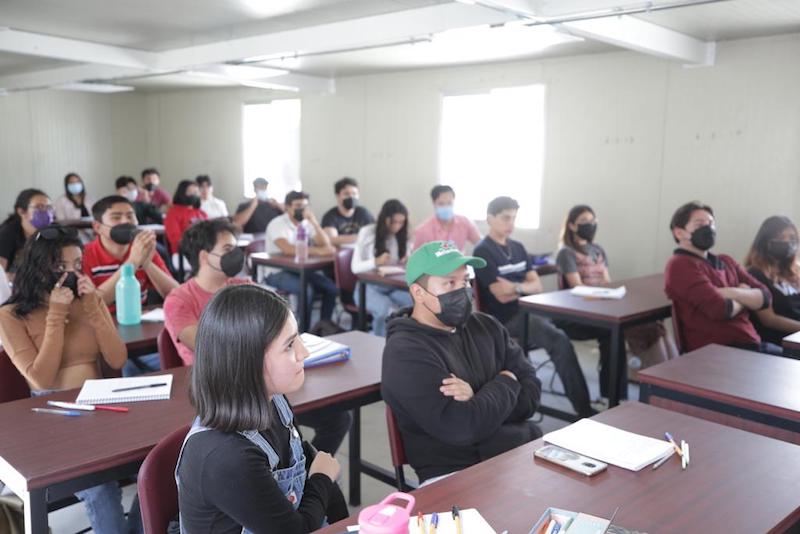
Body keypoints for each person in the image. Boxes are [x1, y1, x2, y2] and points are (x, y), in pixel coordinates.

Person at [164, 220, 353, 454]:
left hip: (265, 380)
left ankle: (306, 473)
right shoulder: (180, 299)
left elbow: (279, 326)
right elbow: (210, 345)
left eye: (236, 248)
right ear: (204, 257)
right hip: (222, 394)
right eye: (227, 250)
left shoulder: (245, 286)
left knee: (337, 418)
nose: (236, 255)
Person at [0, 225, 141, 533]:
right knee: (100, 488)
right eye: (60, 266)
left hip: (102, 403)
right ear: (38, 267)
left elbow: (117, 359)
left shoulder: (87, 299)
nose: (71, 273)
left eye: (77, 265)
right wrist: (55, 316)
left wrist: (93, 308)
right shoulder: (10, 315)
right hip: (55, 413)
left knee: (158, 463)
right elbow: (40, 379)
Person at [175, 284, 349, 533]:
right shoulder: (227, 455)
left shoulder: (274, 401)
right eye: (289, 345)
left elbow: (310, 462)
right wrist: (321, 479)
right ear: (248, 360)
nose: (304, 352)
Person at [381, 241, 542, 484]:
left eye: (465, 281)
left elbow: (532, 392)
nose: (463, 290)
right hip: (455, 474)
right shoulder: (405, 352)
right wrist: (506, 382)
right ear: (418, 292)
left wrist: (477, 397)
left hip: (517, 454)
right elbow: (462, 427)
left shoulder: (487, 326)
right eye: (449, 283)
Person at [473, 197, 597, 413]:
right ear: (489, 219)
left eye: (514, 218)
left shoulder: (518, 247)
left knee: (584, 323)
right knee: (560, 341)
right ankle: (584, 409)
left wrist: (515, 287)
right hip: (506, 319)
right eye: (505, 218)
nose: (511, 224)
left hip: (532, 310)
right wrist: (523, 286)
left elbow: (537, 285)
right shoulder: (483, 251)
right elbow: (500, 296)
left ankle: (608, 395)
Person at [556, 205, 677, 382]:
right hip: (583, 310)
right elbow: (578, 288)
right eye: (584, 222)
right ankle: (651, 381)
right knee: (637, 329)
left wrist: (612, 293)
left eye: (592, 221)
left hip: (606, 305)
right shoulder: (566, 253)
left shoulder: (597, 249)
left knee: (653, 326)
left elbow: (608, 283)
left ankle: (667, 377)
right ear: (572, 225)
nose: (589, 225)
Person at [665, 201, 775, 354]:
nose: (707, 228)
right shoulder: (680, 265)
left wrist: (731, 292)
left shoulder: (726, 261)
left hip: (751, 345)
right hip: (717, 353)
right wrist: (746, 297)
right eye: (699, 224)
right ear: (679, 232)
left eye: (711, 223)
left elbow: (766, 298)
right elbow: (720, 309)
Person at [264, 191, 338, 325]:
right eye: (298, 205)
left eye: (304, 206)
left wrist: (314, 222)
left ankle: (323, 326)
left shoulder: (306, 223)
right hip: (276, 272)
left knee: (331, 287)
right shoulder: (277, 224)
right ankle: (305, 331)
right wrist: (319, 252)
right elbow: (288, 249)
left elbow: (326, 244)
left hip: (300, 270)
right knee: (306, 289)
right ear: (287, 207)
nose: (302, 210)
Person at [351, 199, 413, 336]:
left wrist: (408, 261)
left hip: (392, 286)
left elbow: (403, 265)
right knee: (386, 309)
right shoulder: (367, 232)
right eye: (394, 222)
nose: (397, 226)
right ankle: (379, 346)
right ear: (385, 219)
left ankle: (404, 343)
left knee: (414, 303)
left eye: (401, 223)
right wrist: (376, 261)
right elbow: (355, 268)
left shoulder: (402, 236)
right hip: (367, 288)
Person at [744, 216, 800, 347]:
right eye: (780, 238)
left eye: (792, 238)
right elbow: (769, 319)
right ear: (765, 241)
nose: (787, 242)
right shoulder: (754, 273)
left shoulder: (794, 272)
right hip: (778, 343)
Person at [0, 189, 53, 277]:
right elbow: (1, 274)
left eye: (48, 207)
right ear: (21, 211)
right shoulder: (7, 233)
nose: (45, 211)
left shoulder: (54, 231)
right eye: (39, 207)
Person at [413, 185, 481, 252]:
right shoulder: (423, 231)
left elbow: (481, 243)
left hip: (460, 262)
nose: (446, 207)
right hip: (436, 263)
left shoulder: (464, 222)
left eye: (449, 203)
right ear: (433, 203)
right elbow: (415, 258)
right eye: (441, 204)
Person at [320, 177, 375, 246]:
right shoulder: (330, 217)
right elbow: (331, 240)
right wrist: (360, 237)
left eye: (354, 194)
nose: (351, 197)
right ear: (338, 196)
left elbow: (374, 234)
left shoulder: (363, 213)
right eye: (347, 194)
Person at [164, 180, 208, 257]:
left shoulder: (202, 213)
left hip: (204, 251)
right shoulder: (173, 213)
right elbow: (175, 239)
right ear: (182, 194)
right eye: (190, 192)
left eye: (196, 192)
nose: (194, 195)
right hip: (183, 254)